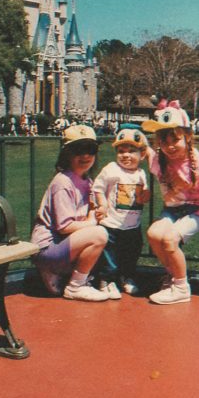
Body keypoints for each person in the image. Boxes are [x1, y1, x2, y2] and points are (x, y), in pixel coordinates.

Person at [142, 101, 199, 305]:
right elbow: (150, 154)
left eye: (175, 140)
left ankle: (181, 287)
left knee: (169, 240)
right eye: (163, 141)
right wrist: (143, 147)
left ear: (187, 136)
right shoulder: (161, 159)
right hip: (172, 209)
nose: (169, 147)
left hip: (198, 211)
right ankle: (173, 275)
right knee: (153, 234)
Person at [31, 125, 109, 301]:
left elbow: (92, 209)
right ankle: (76, 286)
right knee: (99, 234)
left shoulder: (87, 181)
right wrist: (92, 221)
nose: (85, 156)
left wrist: (100, 209)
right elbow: (65, 226)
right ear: (67, 154)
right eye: (78, 150)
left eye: (91, 149)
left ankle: (58, 274)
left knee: (106, 231)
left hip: (63, 246)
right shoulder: (63, 183)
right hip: (47, 248)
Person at [92, 124, 151, 299]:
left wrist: (146, 195)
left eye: (132, 151)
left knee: (131, 252)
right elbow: (98, 188)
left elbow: (143, 196)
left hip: (132, 225)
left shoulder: (141, 173)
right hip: (112, 222)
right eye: (121, 151)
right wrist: (101, 205)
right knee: (109, 254)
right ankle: (106, 280)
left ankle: (127, 276)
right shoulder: (111, 169)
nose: (126, 155)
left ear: (142, 155)